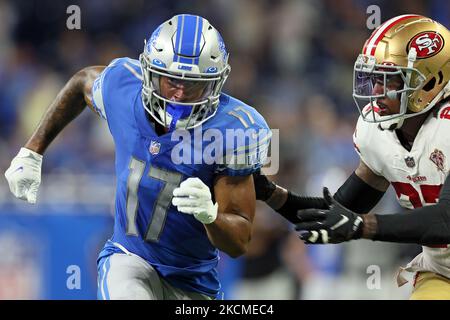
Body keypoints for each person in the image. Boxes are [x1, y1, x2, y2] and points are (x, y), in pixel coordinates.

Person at [4, 14, 271, 300]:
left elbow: (238, 242)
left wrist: (211, 215)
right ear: (150, 73)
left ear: (215, 83)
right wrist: (32, 151)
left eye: (192, 84)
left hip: (192, 280)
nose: (179, 94)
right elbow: (82, 82)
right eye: (171, 80)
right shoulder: (124, 88)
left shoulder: (234, 130)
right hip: (128, 258)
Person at [254, 14, 450, 299]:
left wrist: (363, 226)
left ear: (432, 82)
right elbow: (335, 214)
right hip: (442, 272)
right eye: (375, 79)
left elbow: (445, 221)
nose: (377, 91)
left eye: (391, 80)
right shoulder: (380, 133)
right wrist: (270, 193)